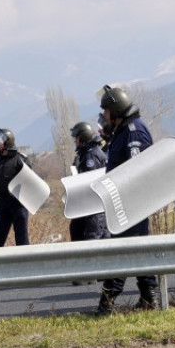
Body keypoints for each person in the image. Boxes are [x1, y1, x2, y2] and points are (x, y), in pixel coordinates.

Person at [95, 84, 157, 315]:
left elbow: (137, 170)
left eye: (106, 111)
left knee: (122, 251)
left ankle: (107, 303)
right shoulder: (123, 130)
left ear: (116, 110)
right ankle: (149, 298)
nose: (103, 115)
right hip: (125, 202)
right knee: (138, 250)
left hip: (133, 204)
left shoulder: (134, 131)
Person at [69, 121, 109, 285]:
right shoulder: (89, 152)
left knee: (93, 236)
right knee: (90, 232)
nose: (75, 141)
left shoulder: (91, 155)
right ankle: (102, 272)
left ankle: (90, 274)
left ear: (82, 138)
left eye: (76, 138)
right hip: (91, 204)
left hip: (93, 205)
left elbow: (89, 180)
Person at [0, 128, 31, 248]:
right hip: (1, 205)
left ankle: (26, 264)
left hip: (18, 205)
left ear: (7, 143)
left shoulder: (20, 160)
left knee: (22, 240)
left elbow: (30, 182)